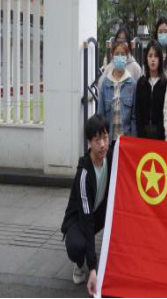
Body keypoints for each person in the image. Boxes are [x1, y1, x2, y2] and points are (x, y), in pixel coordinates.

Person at [61, 114, 113, 297]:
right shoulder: (83, 174)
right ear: (89, 143)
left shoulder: (111, 157)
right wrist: (92, 267)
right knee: (77, 246)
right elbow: (87, 219)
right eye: (97, 140)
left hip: (99, 212)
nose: (102, 144)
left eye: (105, 137)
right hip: (79, 219)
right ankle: (79, 263)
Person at [98, 40, 137, 145]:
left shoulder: (132, 84)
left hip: (126, 140)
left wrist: (133, 140)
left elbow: (134, 117)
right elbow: (100, 114)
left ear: (127, 57)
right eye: (117, 54)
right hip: (109, 140)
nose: (120, 57)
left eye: (123, 54)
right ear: (112, 56)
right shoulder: (105, 84)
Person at [135, 40, 167, 140]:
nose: (153, 59)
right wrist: (141, 132)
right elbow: (137, 111)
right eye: (150, 56)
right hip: (143, 134)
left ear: (160, 59)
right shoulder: (141, 83)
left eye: (156, 56)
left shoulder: (165, 83)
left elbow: (166, 110)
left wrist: (159, 132)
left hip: (160, 135)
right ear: (146, 58)